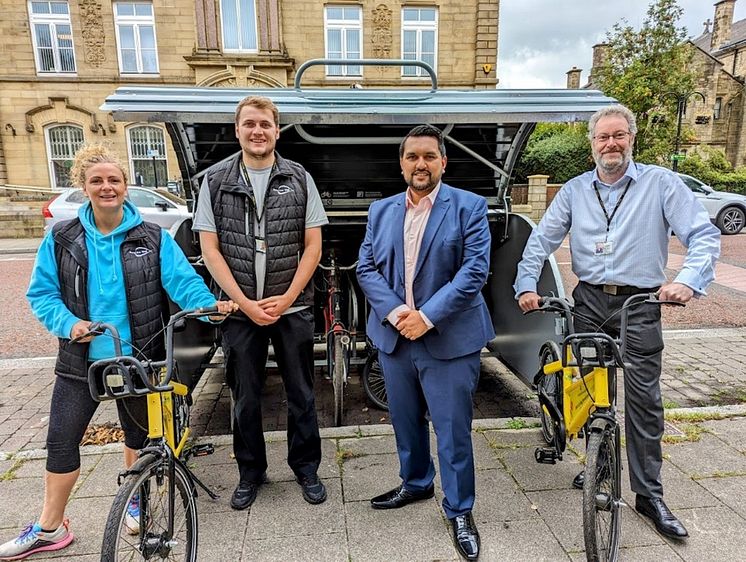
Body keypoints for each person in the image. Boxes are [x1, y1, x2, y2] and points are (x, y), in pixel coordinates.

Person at [0, 144, 235, 561]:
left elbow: (182, 283)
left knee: (139, 439)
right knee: (61, 442)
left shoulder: (152, 237)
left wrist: (210, 305)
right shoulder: (62, 237)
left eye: (114, 180)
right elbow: (42, 294)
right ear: (84, 186)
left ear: (126, 186)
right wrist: (69, 324)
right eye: (97, 181)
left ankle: (134, 498)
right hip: (81, 362)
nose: (106, 187)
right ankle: (50, 527)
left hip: (138, 358)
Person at [514, 105, 720, 540]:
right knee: (585, 389)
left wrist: (687, 280)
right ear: (592, 144)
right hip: (589, 300)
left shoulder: (661, 183)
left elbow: (703, 235)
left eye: (618, 136)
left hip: (641, 303)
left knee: (644, 400)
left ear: (631, 139)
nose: (611, 144)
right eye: (602, 137)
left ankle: (649, 495)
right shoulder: (573, 191)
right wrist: (525, 285)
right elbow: (540, 241)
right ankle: (598, 463)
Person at [357, 124, 495, 561]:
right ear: (402, 163)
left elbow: (474, 272)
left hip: (449, 338)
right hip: (396, 337)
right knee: (404, 421)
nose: (421, 164)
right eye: (413, 156)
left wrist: (427, 317)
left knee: (453, 429)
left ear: (443, 162)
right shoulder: (380, 211)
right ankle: (416, 482)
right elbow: (366, 269)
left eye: (429, 156)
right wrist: (400, 315)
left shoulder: (469, 207)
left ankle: (458, 510)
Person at [193, 95, 329, 510]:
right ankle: (251, 473)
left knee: (302, 393)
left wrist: (288, 296)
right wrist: (245, 303)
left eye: (265, 124)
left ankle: (306, 468)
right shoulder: (214, 181)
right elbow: (210, 251)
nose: (257, 131)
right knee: (245, 396)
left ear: (277, 130)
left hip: (292, 308)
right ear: (237, 130)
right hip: (239, 312)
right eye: (249, 123)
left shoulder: (299, 177)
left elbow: (313, 247)